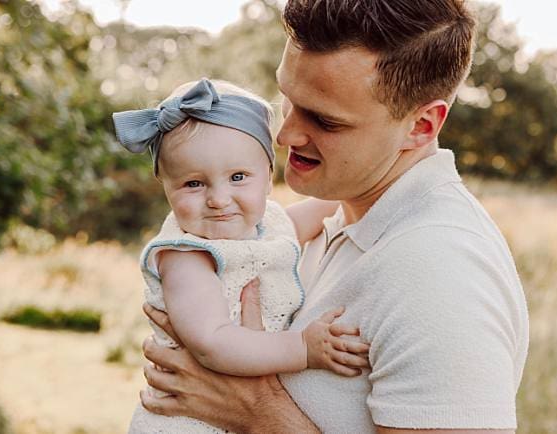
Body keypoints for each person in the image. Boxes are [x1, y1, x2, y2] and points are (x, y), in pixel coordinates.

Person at [137, 0, 529, 432]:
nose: (285, 135)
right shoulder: (349, 213)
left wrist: (257, 410)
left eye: (325, 121)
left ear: (421, 126)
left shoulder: (442, 269)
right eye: (287, 99)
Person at [115, 78, 369, 433]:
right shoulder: (187, 255)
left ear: (268, 177)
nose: (219, 199)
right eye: (193, 183)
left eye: (238, 177)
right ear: (166, 186)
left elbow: (308, 219)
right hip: (190, 421)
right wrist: (302, 348)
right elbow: (212, 342)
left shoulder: (267, 226)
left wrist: (358, 184)